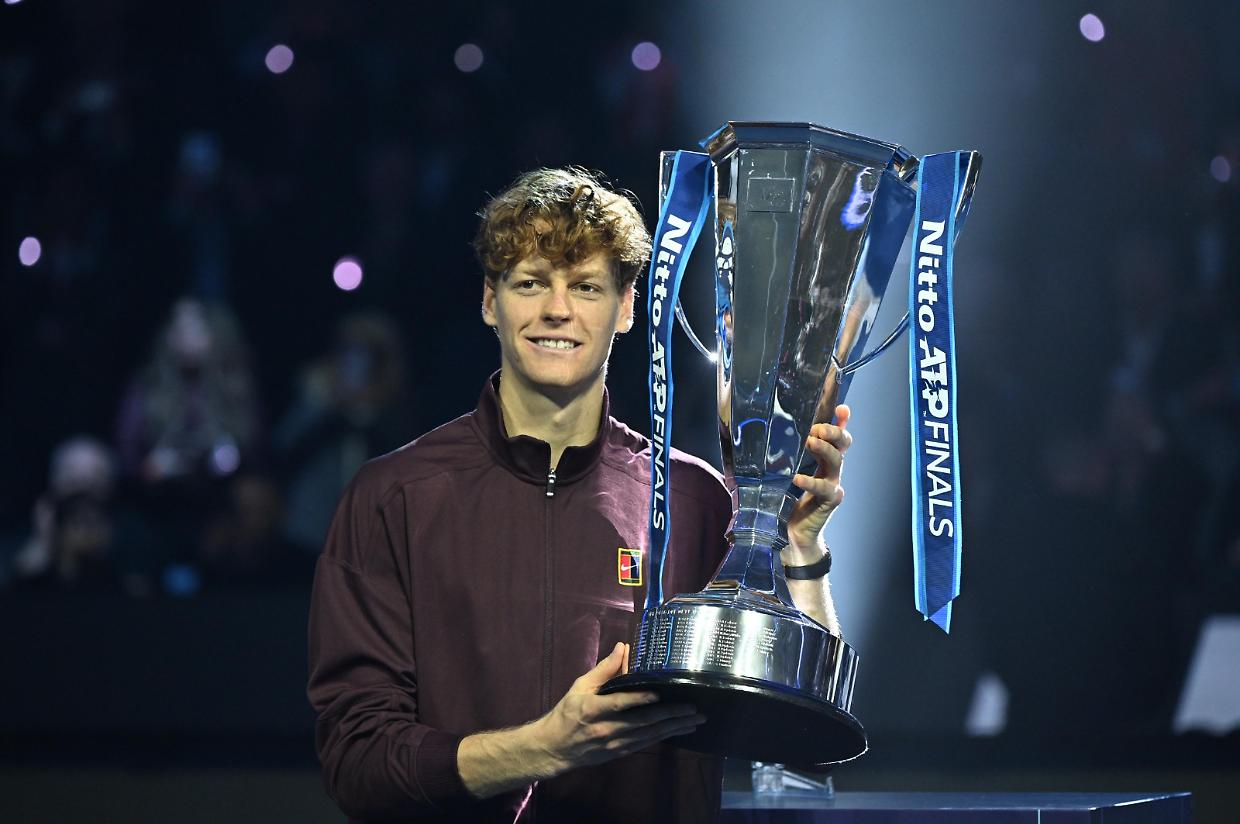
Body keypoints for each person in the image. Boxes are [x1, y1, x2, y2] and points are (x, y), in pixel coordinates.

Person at [306, 167, 853, 823]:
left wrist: (798, 544)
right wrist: (539, 749)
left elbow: (801, 738)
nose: (557, 310)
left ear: (626, 307)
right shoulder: (392, 498)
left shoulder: (693, 499)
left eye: (586, 286)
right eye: (530, 282)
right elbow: (358, 764)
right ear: (490, 300)